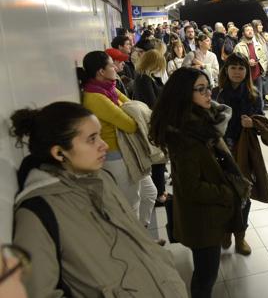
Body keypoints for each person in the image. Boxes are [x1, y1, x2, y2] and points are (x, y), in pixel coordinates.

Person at [11, 101, 187, 297]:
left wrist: (154, 255)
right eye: (92, 139)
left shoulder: (101, 178)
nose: (103, 145)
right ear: (59, 152)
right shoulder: (37, 213)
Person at [149, 67, 248, 298]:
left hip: (207, 214)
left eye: (208, 88)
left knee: (206, 272)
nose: (208, 94)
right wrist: (228, 192)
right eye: (200, 90)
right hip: (202, 218)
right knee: (206, 276)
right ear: (184, 94)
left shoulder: (200, 122)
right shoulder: (186, 136)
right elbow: (191, 188)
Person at [78, 51, 156, 227]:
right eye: (111, 65)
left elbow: (134, 106)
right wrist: (134, 113)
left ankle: (141, 232)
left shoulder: (109, 89)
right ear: (101, 72)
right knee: (131, 202)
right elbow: (131, 124)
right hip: (116, 155)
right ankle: (136, 244)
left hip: (129, 151)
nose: (115, 67)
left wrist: (133, 112)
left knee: (149, 193)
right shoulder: (95, 97)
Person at [212, 53, 266, 256]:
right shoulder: (216, 93)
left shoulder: (254, 95)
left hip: (244, 151)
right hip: (219, 152)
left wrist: (253, 124)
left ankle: (240, 236)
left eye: (241, 68)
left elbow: (262, 123)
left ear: (247, 72)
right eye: (232, 67)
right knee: (223, 193)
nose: (237, 72)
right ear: (226, 70)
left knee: (244, 195)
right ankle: (225, 231)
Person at [133, 49, 168, 206]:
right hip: (151, 123)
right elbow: (152, 103)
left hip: (152, 122)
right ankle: (159, 194)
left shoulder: (145, 77)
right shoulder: (144, 79)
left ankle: (159, 191)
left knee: (158, 159)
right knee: (158, 159)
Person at [233, 24, 268, 109]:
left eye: (251, 30)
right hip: (245, 77)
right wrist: (247, 62)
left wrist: (262, 69)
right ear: (243, 33)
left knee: (259, 97)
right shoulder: (239, 47)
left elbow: (263, 58)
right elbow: (234, 62)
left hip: (257, 76)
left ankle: (260, 115)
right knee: (246, 97)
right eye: (247, 30)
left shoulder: (258, 45)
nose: (250, 32)